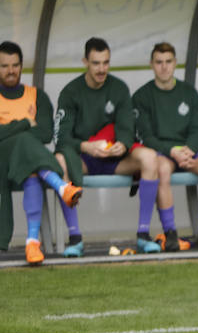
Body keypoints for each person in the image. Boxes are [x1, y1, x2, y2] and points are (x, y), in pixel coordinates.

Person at [54, 37, 169, 256]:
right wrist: (86, 146)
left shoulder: (119, 88)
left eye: (106, 62)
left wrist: (122, 144)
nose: (101, 68)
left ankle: (143, 235)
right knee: (60, 160)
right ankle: (75, 238)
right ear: (85, 61)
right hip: (84, 160)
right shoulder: (70, 92)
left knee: (150, 157)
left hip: (115, 160)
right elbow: (61, 138)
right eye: (96, 63)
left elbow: (127, 127)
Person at [132, 42, 198, 251]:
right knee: (161, 169)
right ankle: (170, 233)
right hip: (163, 153)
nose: (164, 67)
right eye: (159, 62)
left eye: (168, 62)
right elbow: (146, 136)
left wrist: (189, 149)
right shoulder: (142, 96)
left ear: (175, 64)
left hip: (189, 152)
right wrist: (171, 151)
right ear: (151, 65)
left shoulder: (189, 92)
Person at [0, 41, 81, 266]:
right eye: (4, 66)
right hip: (0, 163)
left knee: (31, 168)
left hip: (27, 163)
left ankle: (32, 242)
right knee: (25, 140)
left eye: (15, 65)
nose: (10, 70)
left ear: (21, 66)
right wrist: (25, 123)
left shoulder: (37, 96)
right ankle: (61, 185)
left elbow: (45, 133)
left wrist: (9, 130)